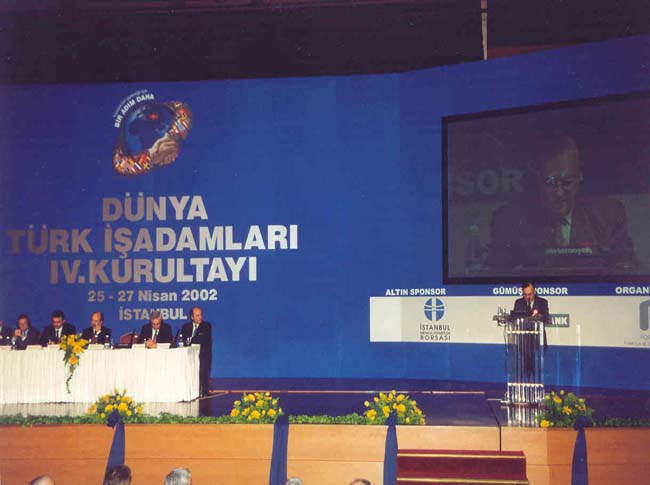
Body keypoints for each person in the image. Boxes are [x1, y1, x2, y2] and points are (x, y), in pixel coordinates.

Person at [488, 136, 636, 275]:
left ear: (580, 177)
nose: (559, 193)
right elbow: (496, 276)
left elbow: (626, 271)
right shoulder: (508, 220)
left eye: (567, 182)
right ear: (538, 180)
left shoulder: (609, 216)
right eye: (550, 182)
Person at [512, 282, 548, 380]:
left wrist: (538, 316)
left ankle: (537, 383)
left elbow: (546, 317)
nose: (528, 297)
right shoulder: (518, 302)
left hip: (537, 339)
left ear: (534, 291)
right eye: (525, 294)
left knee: (537, 367)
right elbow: (515, 317)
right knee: (524, 367)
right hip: (524, 340)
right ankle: (526, 382)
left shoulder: (542, 302)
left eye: (530, 294)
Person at [179, 307, 213, 397]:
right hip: (189, 355)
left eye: (200, 315)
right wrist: (193, 339)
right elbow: (183, 339)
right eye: (197, 315)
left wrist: (191, 339)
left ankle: (204, 390)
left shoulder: (206, 326)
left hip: (203, 354)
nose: (200, 317)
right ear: (192, 317)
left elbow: (203, 339)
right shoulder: (186, 327)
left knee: (203, 368)